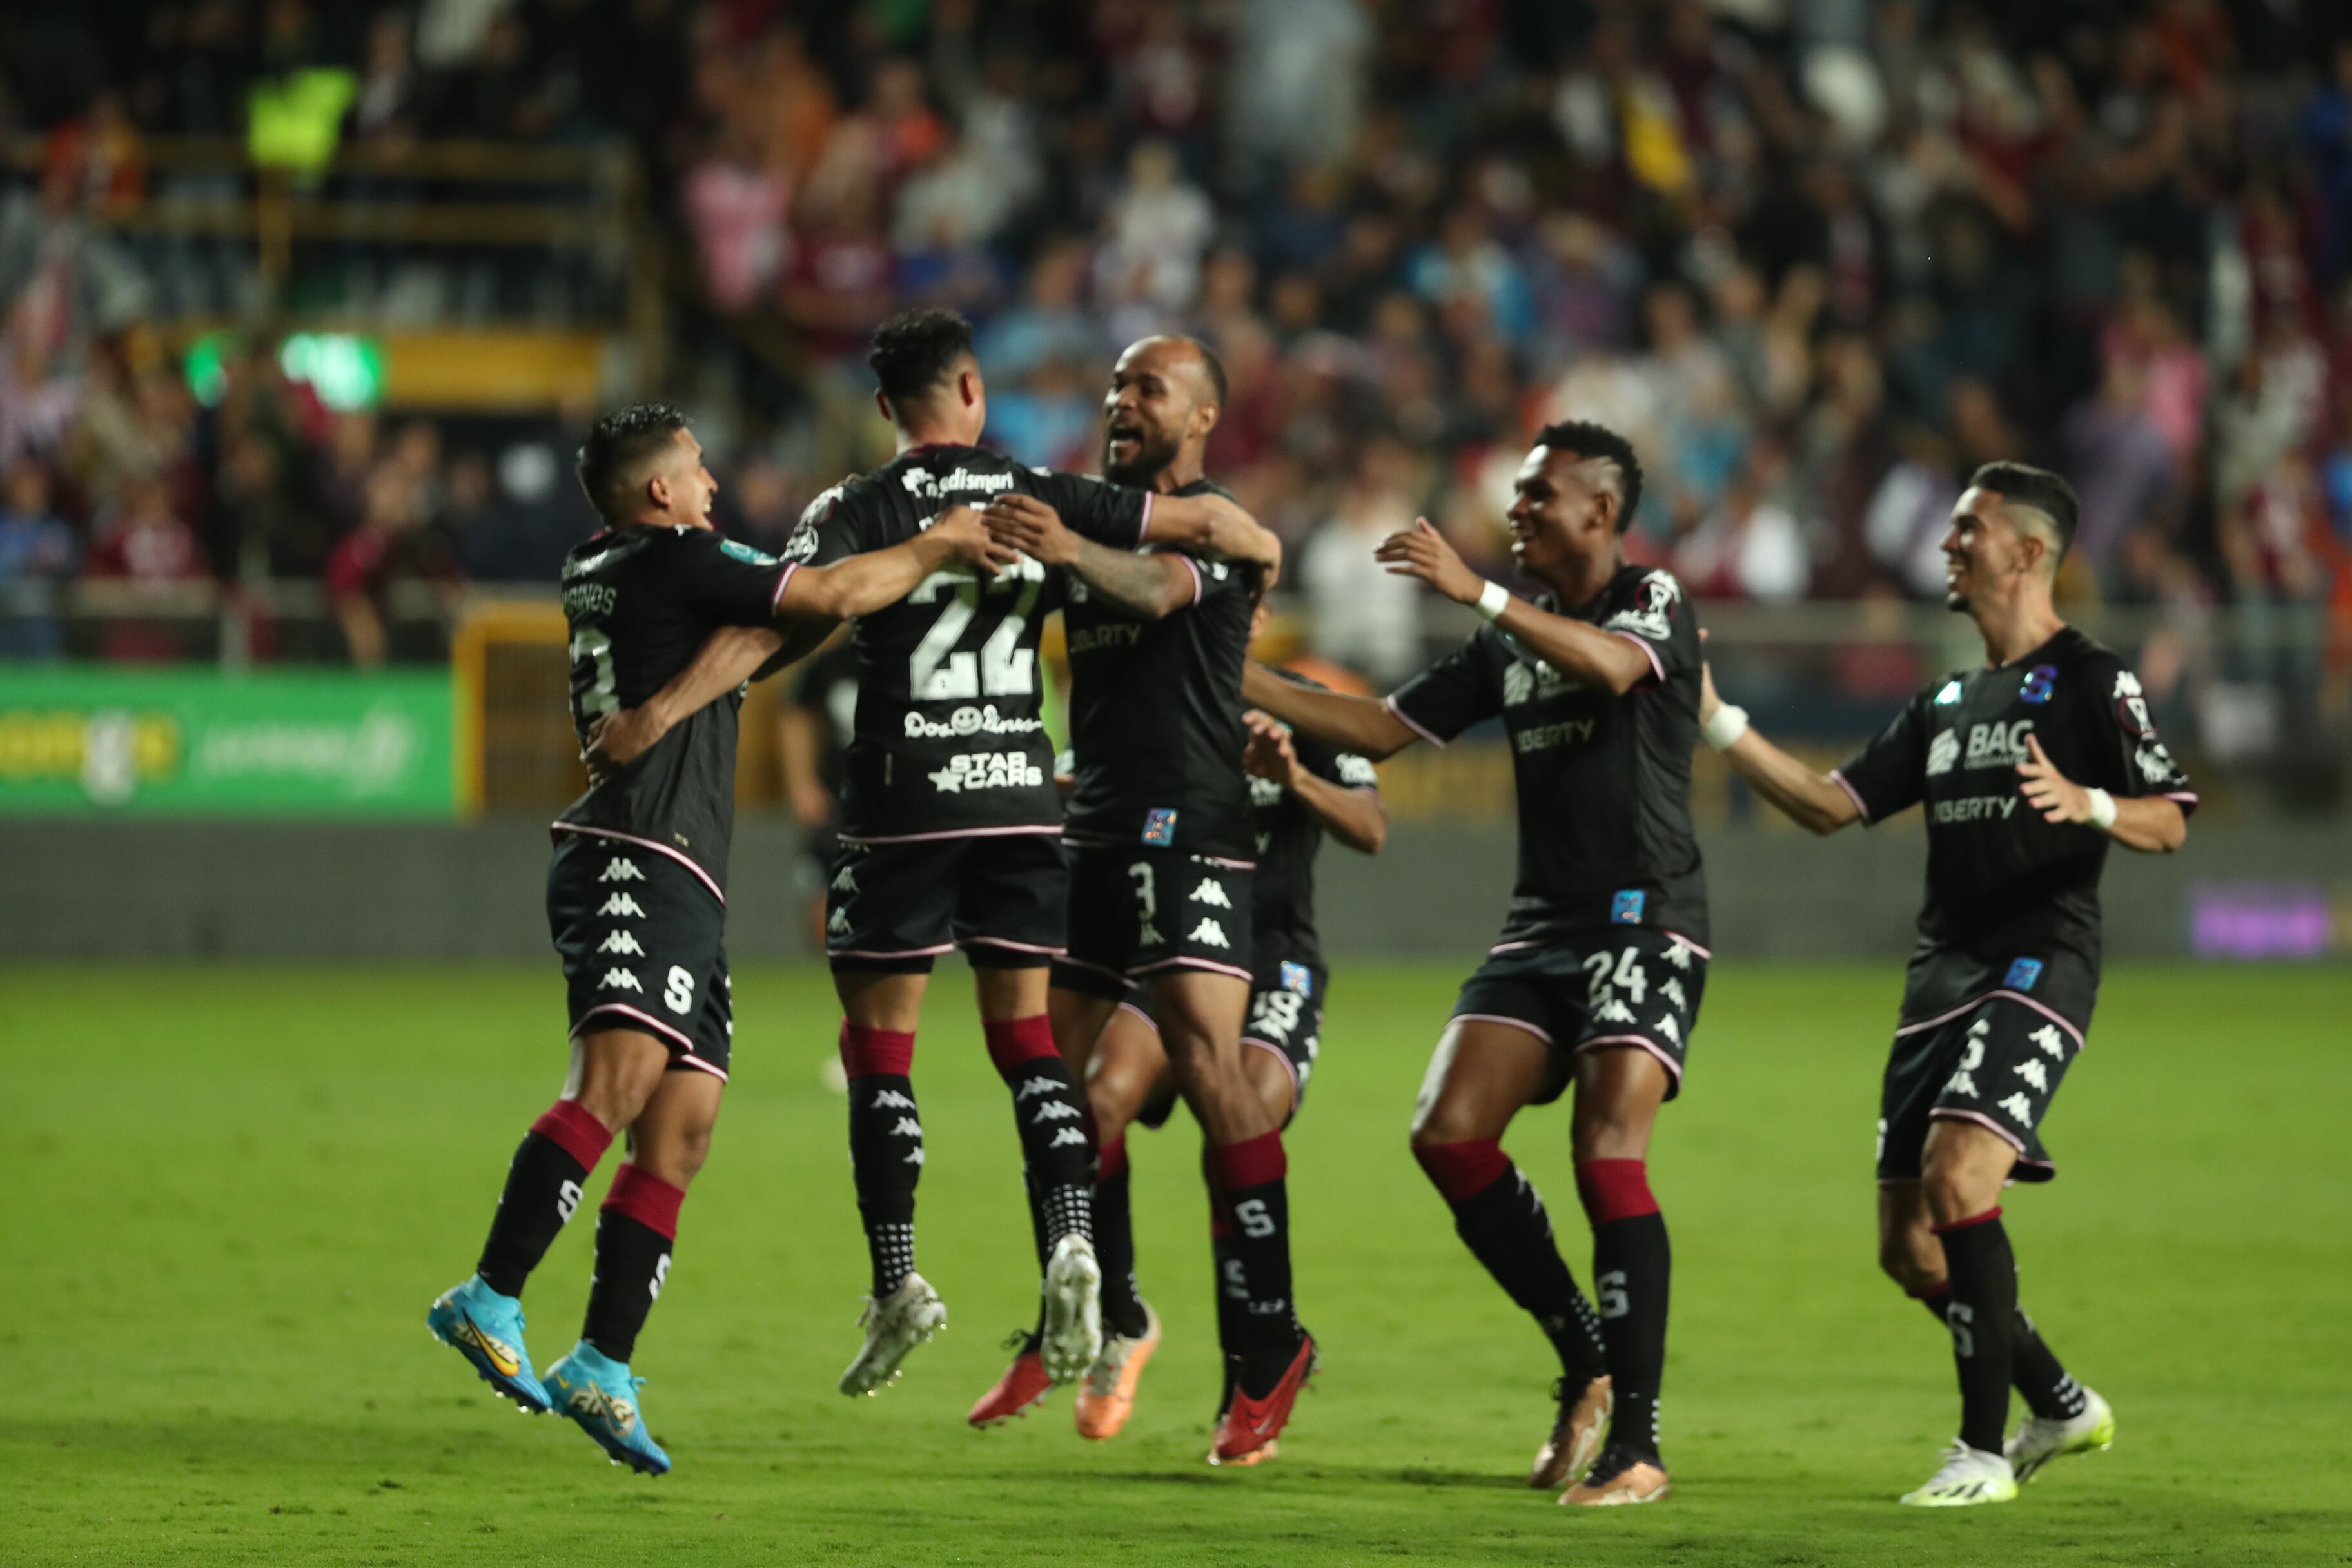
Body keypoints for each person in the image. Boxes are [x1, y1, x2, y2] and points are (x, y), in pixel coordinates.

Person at [577, 311, 1279, 1404]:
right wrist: (1261, 543)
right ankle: (1070, 1247)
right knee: (1033, 1045)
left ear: (883, 408)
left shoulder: (850, 509)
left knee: (880, 1054)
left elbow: (771, 628)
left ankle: (900, 1283)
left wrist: (663, 710)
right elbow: (1207, 527)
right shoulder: (1040, 490)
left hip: (902, 805)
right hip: (1016, 797)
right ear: (969, 383)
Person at [426, 403, 1010, 1475]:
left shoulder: (615, 567)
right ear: (661, 495)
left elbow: (774, 635)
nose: (713, 486)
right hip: (634, 851)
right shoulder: (675, 558)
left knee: (682, 1126)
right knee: (615, 1083)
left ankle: (603, 1363)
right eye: (697, 470)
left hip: (685, 870)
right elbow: (826, 594)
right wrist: (934, 545)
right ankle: (489, 1294)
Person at [1696, 462, 2194, 1507]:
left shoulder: (2097, 679)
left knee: (1962, 1179)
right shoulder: (1947, 701)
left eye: (1967, 529)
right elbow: (1831, 806)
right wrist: (1717, 720)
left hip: (2040, 962)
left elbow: (2170, 817)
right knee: (1911, 1253)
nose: (1946, 546)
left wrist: (2090, 804)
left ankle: (1978, 1452)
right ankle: (2059, 1402)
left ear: (2027, 550)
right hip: (1941, 979)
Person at [1238, 421, 1707, 1506]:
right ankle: (1585, 1355)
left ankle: (1636, 1446)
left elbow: (1609, 668)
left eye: (1541, 494)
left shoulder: (1652, 601)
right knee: (1447, 1134)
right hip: (1543, 925)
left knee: (1605, 1152)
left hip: (1646, 919)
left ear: (1601, 510)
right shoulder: (1509, 641)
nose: (1518, 508)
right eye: (1518, 492)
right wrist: (1238, 677)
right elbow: (1376, 726)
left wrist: (1478, 593)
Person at [974, 334, 1316, 1466]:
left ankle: (1267, 1347)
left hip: (1192, 833)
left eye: (1147, 389)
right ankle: (1102, 1311)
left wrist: (1069, 542)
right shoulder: (1102, 520)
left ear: (1203, 414)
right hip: (1095, 826)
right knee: (1049, 1077)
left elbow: (1156, 592)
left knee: (1215, 1074)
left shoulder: (1210, 526)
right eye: (1116, 386)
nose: (1123, 403)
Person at [1064, 587, 1385, 1455]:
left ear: (1263, 605)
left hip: (1273, 959)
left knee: (1239, 1118)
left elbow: (1371, 826)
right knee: (1094, 1106)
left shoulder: (1300, 701)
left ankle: (1244, 1379)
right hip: (1172, 954)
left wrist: (1296, 778)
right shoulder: (1139, 703)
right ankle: (1125, 1319)